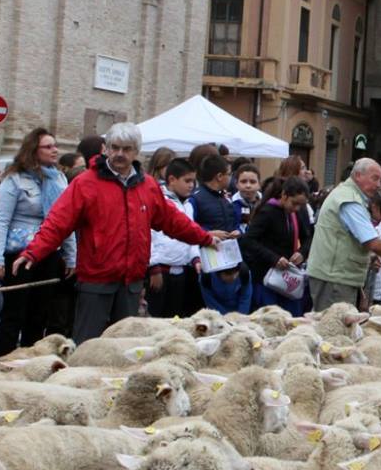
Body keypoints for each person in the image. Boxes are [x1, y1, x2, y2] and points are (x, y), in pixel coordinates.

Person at [15, 123, 224, 340]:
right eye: (114, 147)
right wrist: (33, 252)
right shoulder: (85, 183)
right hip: (96, 281)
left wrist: (204, 237)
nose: (119, 154)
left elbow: (172, 220)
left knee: (125, 346)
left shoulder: (148, 186)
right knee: (88, 345)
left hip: (131, 283)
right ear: (105, 148)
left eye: (126, 149)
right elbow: (58, 222)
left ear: (136, 151)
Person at [0, 129, 74, 356]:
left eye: (55, 145)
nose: (54, 150)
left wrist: (71, 255)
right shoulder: (15, 178)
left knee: (39, 314)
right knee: (13, 314)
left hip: (49, 253)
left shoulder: (59, 179)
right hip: (19, 253)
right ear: (33, 150)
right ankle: (1, 361)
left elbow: (66, 220)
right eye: (48, 146)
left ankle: (30, 362)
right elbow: (2, 219)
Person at [304, 158, 381, 313]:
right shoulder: (350, 200)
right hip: (334, 278)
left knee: (337, 328)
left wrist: (368, 257)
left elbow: (346, 238)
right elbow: (371, 241)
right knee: (335, 330)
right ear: (357, 175)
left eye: (380, 180)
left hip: (336, 276)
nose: (378, 185)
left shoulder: (349, 196)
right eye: (374, 178)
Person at [242, 176, 314, 314]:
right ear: (284, 195)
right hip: (267, 277)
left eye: (301, 205)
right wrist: (273, 258)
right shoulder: (267, 212)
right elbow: (248, 241)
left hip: (289, 279)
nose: (297, 208)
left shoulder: (298, 212)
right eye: (294, 203)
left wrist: (302, 253)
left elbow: (308, 237)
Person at [189, 155, 246, 315]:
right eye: (229, 173)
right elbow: (187, 225)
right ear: (219, 176)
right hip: (209, 264)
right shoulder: (196, 198)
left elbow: (234, 223)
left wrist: (237, 232)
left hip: (230, 260)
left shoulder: (224, 198)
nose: (231, 177)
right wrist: (207, 233)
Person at [146, 159, 203, 318]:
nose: (191, 185)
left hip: (181, 271)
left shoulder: (188, 205)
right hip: (159, 271)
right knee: (156, 317)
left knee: (175, 317)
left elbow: (191, 233)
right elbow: (149, 235)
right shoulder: (159, 202)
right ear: (172, 180)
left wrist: (195, 257)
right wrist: (153, 266)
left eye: (193, 181)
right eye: (187, 181)